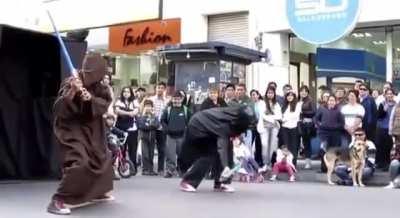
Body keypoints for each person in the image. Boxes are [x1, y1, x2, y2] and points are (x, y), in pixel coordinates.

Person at [47, 54, 113, 215]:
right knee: (80, 161)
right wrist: (72, 92)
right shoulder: (71, 82)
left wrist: (91, 99)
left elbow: (104, 104)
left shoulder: (101, 87)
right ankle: (58, 200)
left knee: (102, 158)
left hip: (92, 129)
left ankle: (96, 192)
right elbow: (59, 109)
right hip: (72, 129)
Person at [178, 106, 257, 193]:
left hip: (210, 127)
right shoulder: (225, 125)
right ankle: (188, 182)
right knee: (210, 153)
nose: (249, 127)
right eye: (248, 125)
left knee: (228, 151)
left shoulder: (235, 117)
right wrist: (226, 166)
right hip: (197, 127)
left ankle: (222, 182)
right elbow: (222, 147)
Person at [161, 91, 192, 178]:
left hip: (182, 136)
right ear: (172, 99)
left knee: (182, 154)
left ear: (182, 99)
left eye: (178, 99)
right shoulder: (168, 109)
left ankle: (182, 170)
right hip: (170, 136)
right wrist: (166, 130)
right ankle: (169, 171)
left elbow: (192, 121)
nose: (176, 101)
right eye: (174, 99)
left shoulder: (186, 110)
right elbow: (163, 121)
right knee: (170, 155)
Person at [314, 95, 345, 172]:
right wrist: (320, 125)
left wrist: (335, 126)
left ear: (336, 102)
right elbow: (316, 119)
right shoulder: (322, 109)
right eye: (330, 100)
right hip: (324, 133)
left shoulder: (339, 111)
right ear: (327, 101)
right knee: (324, 150)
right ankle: (324, 168)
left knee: (334, 151)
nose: (331, 102)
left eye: (333, 100)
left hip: (335, 134)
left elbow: (342, 123)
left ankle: (333, 168)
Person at [115, 87, 139, 175]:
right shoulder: (119, 101)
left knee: (133, 150)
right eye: (124, 91)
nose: (126, 93)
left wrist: (125, 112)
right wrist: (129, 113)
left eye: (128, 92)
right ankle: (121, 168)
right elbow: (117, 111)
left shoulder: (135, 101)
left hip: (132, 129)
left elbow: (135, 112)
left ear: (131, 93)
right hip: (120, 128)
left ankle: (133, 169)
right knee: (122, 149)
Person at [257, 87, 282, 169]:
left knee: (272, 146)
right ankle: (265, 163)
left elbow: (279, 116)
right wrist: (273, 119)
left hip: (274, 128)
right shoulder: (262, 103)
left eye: (271, 93)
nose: (270, 94)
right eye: (268, 93)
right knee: (264, 145)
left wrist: (271, 118)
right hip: (264, 127)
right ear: (266, 94)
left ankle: (269, 163)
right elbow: (263, 115)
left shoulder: (277, 104)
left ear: (274, 94)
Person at [149, 82, 169, 175]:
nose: (160, 89)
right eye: (158, 87)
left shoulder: (167, 101)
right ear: (155, 89)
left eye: (162, 88)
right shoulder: (151, 99)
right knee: (151, 148)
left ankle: (160, 169)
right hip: (152, 126)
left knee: (162, 149)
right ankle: (150, 168)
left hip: (162, 127)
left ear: (164, 89)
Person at [137, 99, 160, 176]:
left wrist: (150, 124)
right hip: (144, 138)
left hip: (152, 139)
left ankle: (151, 169)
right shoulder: (141, 116)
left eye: (150, 106)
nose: (148, 108)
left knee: (151, 154)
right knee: (145, 154)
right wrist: (150, 126)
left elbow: (157, 125)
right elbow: (141, 126)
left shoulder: (154, 116)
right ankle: (145, 169)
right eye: (146, 106)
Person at [376, 88, 396, 170]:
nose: (390, 95)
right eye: (388, 94)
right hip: (382, 128)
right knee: (381, 147)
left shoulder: (396, 104)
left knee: (389, 147)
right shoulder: (382, 104)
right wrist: (384, 110)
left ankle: (387, 164)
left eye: (391, 94)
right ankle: (380, 163)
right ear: (385, 95)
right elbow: (378, 116)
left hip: (391, 128)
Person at [280, 91, 301, 166]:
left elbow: (295, 115)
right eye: (288, 95)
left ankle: (293, 163)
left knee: (294, 146)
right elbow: (281, 115)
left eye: (291, 95)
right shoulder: (284, 105)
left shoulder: (298, 104)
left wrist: (285, 119)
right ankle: (287, 163)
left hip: (294, 127)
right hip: (285, 128)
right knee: (286, 146)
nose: (290, 97)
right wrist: (283, 119)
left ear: (294, 97)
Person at [298, 85, 316, 169]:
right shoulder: (297, 100)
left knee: (306, 143)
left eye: (305, 91)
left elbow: (313, 112)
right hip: (297, 123)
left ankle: (308, 162)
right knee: (296, 143)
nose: (303, 92)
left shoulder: (310, 101)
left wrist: (303, 112)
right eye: (302, 91)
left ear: (308, 92)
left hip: (306, 124)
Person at [250, 89, 264, 165]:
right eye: (252, 95)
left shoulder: (262, 103)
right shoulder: (252, 104)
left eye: (255, 94)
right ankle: (255, 159)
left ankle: (260, 160)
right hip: (254, 126)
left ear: (258, 95)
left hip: (261, 126)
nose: (253, 96)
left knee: (259, 143)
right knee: (253, 143)